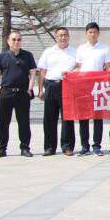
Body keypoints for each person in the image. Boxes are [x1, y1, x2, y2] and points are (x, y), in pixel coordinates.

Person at [0, 30, 37, 158]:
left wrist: (29, 89)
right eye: (14, 39)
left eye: (19, 39)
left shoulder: (27, 55)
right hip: (6, 93)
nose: (16, 42)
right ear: (8, 41)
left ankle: (25, 148)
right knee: (3, 122)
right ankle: (1, 148)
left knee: (24, 122)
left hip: (22, 93)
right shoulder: (2, 56)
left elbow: (33, 72)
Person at [75, 22, 110, 156]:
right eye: (90, 32)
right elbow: (79, 67)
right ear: (86, 34)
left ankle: (97, 145)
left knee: (98, 117)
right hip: (83, 87)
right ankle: (84, 146)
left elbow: (108, 67)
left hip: (98, 87)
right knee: (83, 117)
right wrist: (68, 74)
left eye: (95, 32)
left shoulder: (104, 49)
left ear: (98, 34)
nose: (92, 34)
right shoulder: (80, 49)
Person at [37, 27, 77, 156]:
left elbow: (79, 67)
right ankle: (49, 147)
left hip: (67, 86)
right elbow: (42, 71)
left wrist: (72, 73)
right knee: (49, 118)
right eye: (60, 35)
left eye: (65, 35)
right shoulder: (48, 52)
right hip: (50, 85)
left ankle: (67, 147)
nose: (63, 38)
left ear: (69, 37)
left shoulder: (75, 52)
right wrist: (40, 89)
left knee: (67, 118)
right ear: (56, 37)